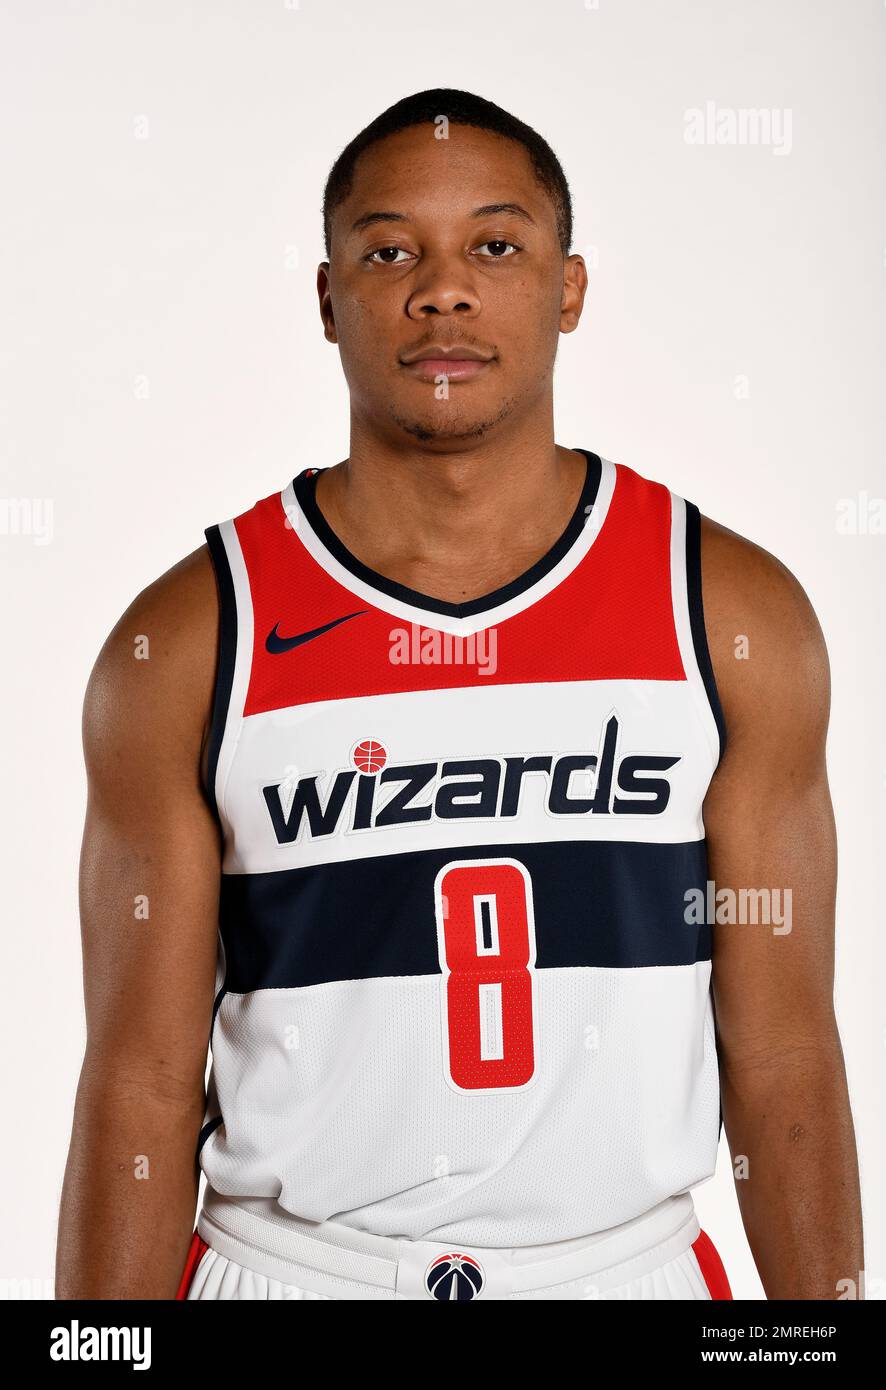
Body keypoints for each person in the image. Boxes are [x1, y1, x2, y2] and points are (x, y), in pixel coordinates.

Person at [56, 88, 862, 1301]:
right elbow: (140, 1082)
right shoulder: (190, 637)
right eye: (390, 252)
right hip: (291, 1272)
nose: (443, 290)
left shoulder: (726, 611)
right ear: (328, 299)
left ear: (569, 287)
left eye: (496, 244)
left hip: (619, 1273)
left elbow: (785, 1050)